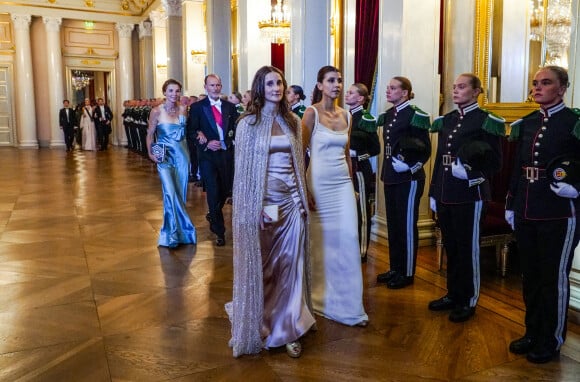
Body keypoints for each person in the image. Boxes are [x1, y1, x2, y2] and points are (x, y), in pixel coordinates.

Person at [226, 65, 315, 359]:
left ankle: (288, 328)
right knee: (267, 267)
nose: (276, 88)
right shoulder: (248, 124)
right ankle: (263, 322)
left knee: (292, 266)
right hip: (264, 205)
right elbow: (243, 174)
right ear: (260, 88)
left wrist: (303, 198)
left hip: (292, 204)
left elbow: (299, 165)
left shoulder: (293, 121)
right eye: (270, 84)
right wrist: (257, 208)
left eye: (280, 83)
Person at [505, 66, 580, 363]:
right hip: (527, 207)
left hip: (560, 211)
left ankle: (552, 339)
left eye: (545, 83)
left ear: (561, 88)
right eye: (535, 83)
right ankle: (532, 332)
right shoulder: (527, 122)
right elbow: (517, 168)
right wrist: (511, 203)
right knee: (531, 277)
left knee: (553, 278)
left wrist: (577, 187)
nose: (537, 88)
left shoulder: (574, 122)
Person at [428, 73, 504, 322]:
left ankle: (468, 300)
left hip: (471, 193)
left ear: (476, 92)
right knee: (452, 246)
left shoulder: (486, 121)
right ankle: (453, 294)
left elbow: (495, 161)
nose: (455, 91)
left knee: (467, 248)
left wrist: (471, 173)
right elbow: (440, 158)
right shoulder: (448, 120)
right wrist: (433, 191)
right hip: (447, 191)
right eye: (454, 87)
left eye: (462, 87)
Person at [303, 65, 368, 327]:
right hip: (317, 183)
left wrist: (351, 186)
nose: (337, 85)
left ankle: (349, 305)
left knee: (349, 238)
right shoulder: (311, 114)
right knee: (321, 241)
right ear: (320, 85)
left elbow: (346, 154)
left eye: (339, 80)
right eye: (331, 80)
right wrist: (304, 188)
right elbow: (299, 152)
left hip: (341, 184)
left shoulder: (347, 116)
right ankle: (320, 298)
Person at [376, 77, 431, 288]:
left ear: (405, 93)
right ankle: (395, 267)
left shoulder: (415, 115)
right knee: (394, 224)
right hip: (391, 174)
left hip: (409, 177)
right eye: (388, 87)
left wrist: (410, 166)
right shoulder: (389, 114)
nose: (388, 91)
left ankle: (407, 272)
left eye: (393, 88)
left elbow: (425, 148)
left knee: (406, 226)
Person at [187, 74, 238, 246]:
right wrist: (206, 142)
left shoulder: (230, 107)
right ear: (205, 87)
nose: (215, 88)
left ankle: (213, 212)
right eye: (212, 85)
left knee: (225, 190)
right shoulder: (197, 107)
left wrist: (227, 143)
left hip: (226, 155)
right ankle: (219, 231)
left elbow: (235, 130)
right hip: (208, 156)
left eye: (218, 85)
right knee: (213, 191)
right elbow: (191, 131)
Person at [145, 79, 196, 248]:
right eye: (171, 90)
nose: (175, 94)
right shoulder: (156, 111)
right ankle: (171, 233)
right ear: (165, 92)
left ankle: (183, 233)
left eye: (177, 91)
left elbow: (186, 134)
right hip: (164, 156)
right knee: (170, 192)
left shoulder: (183, 109)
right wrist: (151, 153)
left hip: (182, 156)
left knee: (180, 194)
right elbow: (150, 134)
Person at [344, 83, 380, 263]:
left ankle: (362, 251)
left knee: (361, 211)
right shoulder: (345, 116)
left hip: (359, 168)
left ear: (360, 98)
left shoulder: (366, 118)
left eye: (351, 93)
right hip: (345, 168)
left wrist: (355, 153)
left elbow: (375, 148)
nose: (346, 94)